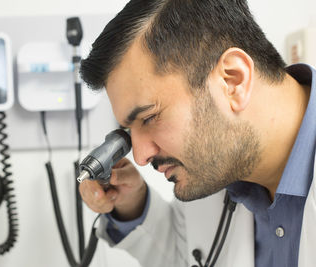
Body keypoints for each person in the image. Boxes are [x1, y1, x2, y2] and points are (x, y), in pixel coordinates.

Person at [79, 0, 316, 266]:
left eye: (149, 117)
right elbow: (192, 253)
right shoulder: (215, 166)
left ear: (233, 81)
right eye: (129, 130)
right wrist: (134, 203)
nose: (142, 156)